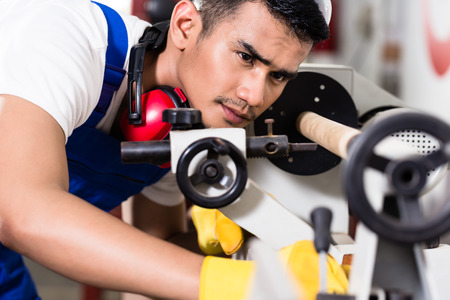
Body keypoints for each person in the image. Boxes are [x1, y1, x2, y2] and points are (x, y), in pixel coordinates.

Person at [0, 0, 335, 299]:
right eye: (245, 57)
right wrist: (234, 285)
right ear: (185, 26)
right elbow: (23, 211)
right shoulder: (66, 37)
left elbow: (158, 245)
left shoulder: (183, 124)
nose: (255, 96)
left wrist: (251, 244)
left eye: (277, 77)